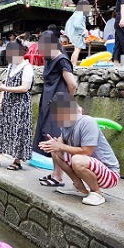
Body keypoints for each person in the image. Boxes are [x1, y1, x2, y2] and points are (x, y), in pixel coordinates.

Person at [39, 95, 120, 206]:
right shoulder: (65, 124)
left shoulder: (87, 122)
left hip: (110, 175)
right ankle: (78, 185)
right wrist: (54, 144)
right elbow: (62, 140)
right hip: (89, 165)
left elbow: (86, 152)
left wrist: (60, 146)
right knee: (56, 151)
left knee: (77, 160)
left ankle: (97, 193)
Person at [32, 31, 78, 188]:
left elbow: (72, 84)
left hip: (60, 105)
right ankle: (54, 173)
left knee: (56, 139)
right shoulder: (49, 59)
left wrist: (68, 102)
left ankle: (59, 176)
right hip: (48, 103)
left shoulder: (62, 61)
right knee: (49, 137)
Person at [0, 41, 34, 170]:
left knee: (19, 131)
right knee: (0, 128)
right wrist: (0, 101)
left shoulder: (27, 67)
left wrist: (6, 88)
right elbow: (5, 85)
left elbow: (24, 88)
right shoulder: (11, 66)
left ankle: (17, 161)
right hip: (8, 102)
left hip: (21, 105)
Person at [64, 0, 91, 65]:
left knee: (76, 49)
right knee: (77, 49)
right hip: (76, 33)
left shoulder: (77, 13)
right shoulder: (80, 14)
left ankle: (72, 64)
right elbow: (77, 24)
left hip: (74, 33)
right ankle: (73, 64)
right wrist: (84, 31)